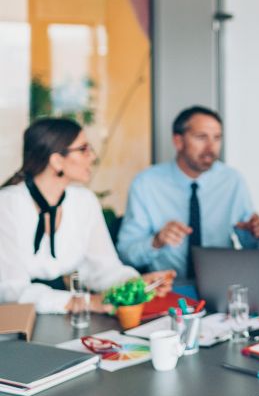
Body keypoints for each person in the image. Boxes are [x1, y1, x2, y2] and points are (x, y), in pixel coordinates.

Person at [0, 118, 174, 314]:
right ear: (57, 160)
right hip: (15, 321)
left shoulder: (84, 201)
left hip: (66, 315)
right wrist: (84, 303)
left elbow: (104, 267)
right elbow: (12, 291)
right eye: (83, 149)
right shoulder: (6, 205)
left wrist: (135, 284)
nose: (92, 157)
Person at [117, 106, 259, 279]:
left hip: (221, 284)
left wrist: (257, 235)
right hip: (167, 288)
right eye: (201, 137)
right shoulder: (146, 183)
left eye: (217, 138)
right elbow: (126, 253)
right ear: (178, 141)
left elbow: (253, 249)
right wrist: (156, 241)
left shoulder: (232, 180)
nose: (211, 147)